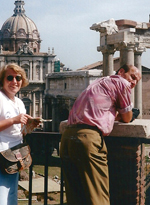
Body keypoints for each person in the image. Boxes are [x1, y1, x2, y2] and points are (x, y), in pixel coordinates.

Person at [60, 64, 141, 205]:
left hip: (67, 138)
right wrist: (131, 114)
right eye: (133, 77)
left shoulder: (99, 83)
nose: (133, 82)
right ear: (121, 72)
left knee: (76, 197)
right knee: (97, 197)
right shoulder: (121, 82)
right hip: (88, 140)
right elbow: (127, 117)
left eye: (137, 81)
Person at [0, 63, 34, 205]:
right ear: (2, 80)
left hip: (12, 159)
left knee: (9, 202)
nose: (14, 81)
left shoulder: (19, 103)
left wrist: (29, 126)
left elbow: (16, 132)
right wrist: (13, 120)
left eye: (18, 78)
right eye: (10, 77)